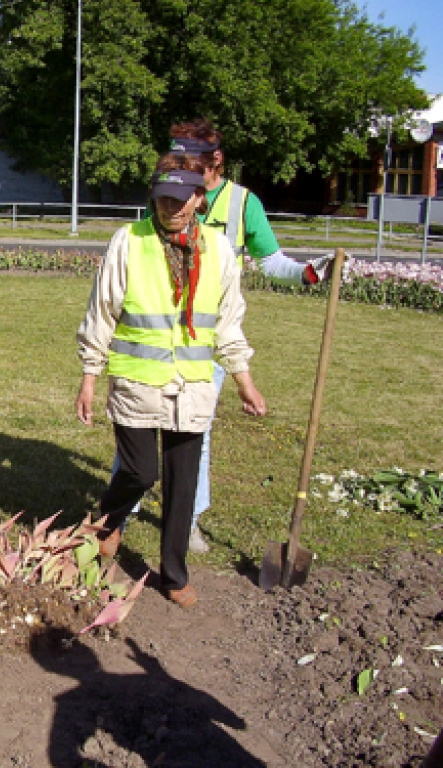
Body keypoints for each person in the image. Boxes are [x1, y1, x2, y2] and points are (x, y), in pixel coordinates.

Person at [115, 118, 340, 555]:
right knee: (137, 427)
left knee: (197, 436)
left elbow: (271, 261)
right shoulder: (172, 189)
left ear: (214, 160)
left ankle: (189, 520)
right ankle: (120, 514)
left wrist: (308, 272)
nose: (178, 163)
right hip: (156, 339)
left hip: (207, 342)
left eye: (189, 157)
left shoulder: (243, 203)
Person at [75, 153, 267, 608]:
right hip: (138, 382)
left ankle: (174, 574)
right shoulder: (129, 241)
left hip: (194, 386)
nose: (171, 207)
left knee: (183, 485)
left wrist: (244, 379)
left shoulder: (219, 250)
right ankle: (108, 520)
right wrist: (88, 376)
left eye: (181, 198)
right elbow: (102, 312)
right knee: (141, 471)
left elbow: (228, 322)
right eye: (163, 198)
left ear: (199, 198)